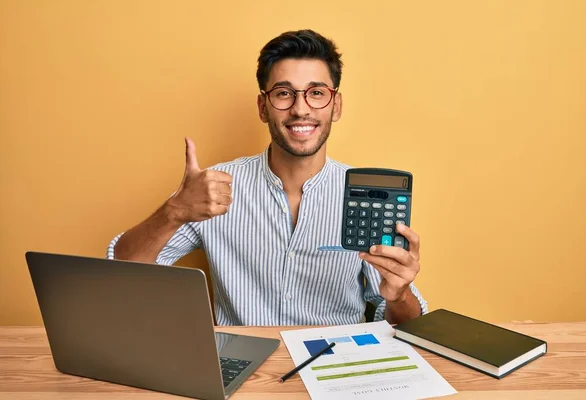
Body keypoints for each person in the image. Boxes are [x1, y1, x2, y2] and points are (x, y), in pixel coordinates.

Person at [107, 29, 428, 326]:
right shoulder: (213, 188)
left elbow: (407, 324)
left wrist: (398, 294)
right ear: (263, 107)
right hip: (244, 371)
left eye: (316, 93)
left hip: (334, 366)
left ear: (336, 105)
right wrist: (173, 211)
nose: (301, 109)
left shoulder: (366, 198)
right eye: (284, 93)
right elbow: (122, 271)